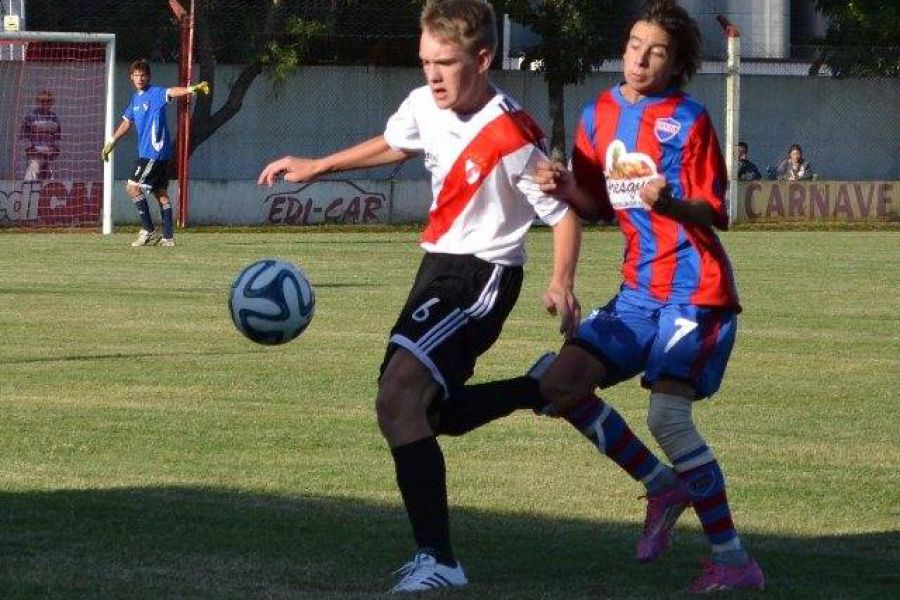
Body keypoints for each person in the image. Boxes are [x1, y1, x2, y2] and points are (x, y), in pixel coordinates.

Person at [433, 0, 765, 593]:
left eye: (656, 50)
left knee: (668, 415)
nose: (640, 57)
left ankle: (734, 558)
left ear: (676, 63)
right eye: (636, 43)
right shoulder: (598, 115)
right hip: (639, 290)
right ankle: (663, 488)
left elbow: (718, 210)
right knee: (561, 384)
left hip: (696, 291)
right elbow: (596, 207)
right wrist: (564, 184)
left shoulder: (688, 120)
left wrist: (671, 205)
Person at [258, 0, 581, 592]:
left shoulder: (512, 135)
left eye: (446, 62)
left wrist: (560, 280)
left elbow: (561, 215)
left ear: (482, 59)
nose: (432, 74)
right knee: (421, 413)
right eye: (426, 61)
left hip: (483, 275)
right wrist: (319, 165)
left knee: (399, 396)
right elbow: (394, 143)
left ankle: (440, 560)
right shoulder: (424, 104)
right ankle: (538, 388)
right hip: (436, 269)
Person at [100, 59, 209, 247]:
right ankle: (168, 237)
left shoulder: (155, 93)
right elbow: (127, 121)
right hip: (152, 154)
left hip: (153, 153)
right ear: (131, 78)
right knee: (160, 193)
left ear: (148, 77)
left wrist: (191, 89)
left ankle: (148, 229)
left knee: (132, 187)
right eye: (136, 75)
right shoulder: (136, 98)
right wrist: (112, 140)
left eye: (143, 75)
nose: (140, 78)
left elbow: (171, 92)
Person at [20, 90, 61, 182]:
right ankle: (28, 191)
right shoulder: (30, 117)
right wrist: (29, 148)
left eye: (47, 101)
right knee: (34, 170)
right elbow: (23, 135)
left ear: (51, 103)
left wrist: (56, 149)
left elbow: (58, 136)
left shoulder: (54, 118)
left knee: (51, 176)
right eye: (42, 101)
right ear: (37, 102)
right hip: (35, 152)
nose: (44, 104)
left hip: (49, 152)